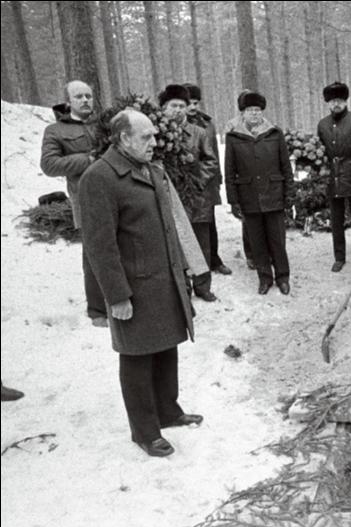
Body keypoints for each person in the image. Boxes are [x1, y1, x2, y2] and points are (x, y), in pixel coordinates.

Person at [79, 110, 203, 458]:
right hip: (133, 286)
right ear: (123, 139)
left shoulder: (150, 169)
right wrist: (116, 296)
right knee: (136, 357)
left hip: (163, 281)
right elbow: (99, 247)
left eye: (154, 135)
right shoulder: (99, 178)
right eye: (146, 137)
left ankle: (168, 410)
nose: (155, 142)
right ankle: (145, 431)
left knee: (166, 347)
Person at [40, 80, 107, 327]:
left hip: (115, 194)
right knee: (94, 253)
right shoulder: (56, 131)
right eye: (79, 97)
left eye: (89, 96)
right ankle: (98, 310)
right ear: (69, 102)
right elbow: (49, 165)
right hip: (85, 199)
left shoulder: (103, 125)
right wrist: (87, 159)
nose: (86, 100)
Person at [225, 92, 293, 295]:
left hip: (274, 194)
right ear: (242, 114)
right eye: (249, 110)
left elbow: (285, 166)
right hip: (249, 197)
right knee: (257, 242)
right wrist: (233, 201)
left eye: (257, 110)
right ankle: (265, 278)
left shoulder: (274, 133)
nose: (254, 114)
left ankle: (283, 276)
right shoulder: (233, 137)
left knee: (277, 240)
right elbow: (229, 170)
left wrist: (289, 194)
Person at [158, 84, 220, 301]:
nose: (177, 110)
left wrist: (194, 182)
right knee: (175, 244)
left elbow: (211, 162)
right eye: (173, 105)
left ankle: (203, 286)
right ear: (164, 108)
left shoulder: (199, 133)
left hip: (197, 199)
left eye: (182, 106)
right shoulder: (157, 134)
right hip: (168, 198)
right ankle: (182, 286)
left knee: (201, 244)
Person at [317, 82, 351, 272]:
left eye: (339, 100)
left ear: (346, 101)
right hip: (333, 176)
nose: (335, 104)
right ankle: (339, 256)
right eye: (332, 101)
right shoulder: (323, 124)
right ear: (327, 103)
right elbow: (321, 151)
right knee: (336, 220)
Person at [184, 83, 231, 276]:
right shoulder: (175, 124)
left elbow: (214, 155)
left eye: (196, 102)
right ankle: (194, 263)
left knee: (210, 222)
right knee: (190, 223)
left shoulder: (207, 123)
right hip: (187, 182)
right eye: (189, 103)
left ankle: (214, 259)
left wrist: (217, 179)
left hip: (207, 181)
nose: (193, 107)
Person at [222, 90, 256, 270]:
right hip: (242, 180)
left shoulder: (260, 122)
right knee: (247, 222)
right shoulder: (233, 126)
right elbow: (230, 162)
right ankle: (250, 254)